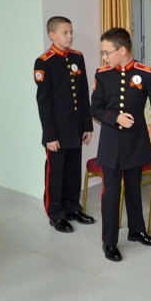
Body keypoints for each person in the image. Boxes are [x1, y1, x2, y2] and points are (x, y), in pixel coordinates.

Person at [90, 27, 151, 262]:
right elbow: (95, 108)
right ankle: (109, 242)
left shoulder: (146, 74)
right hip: (111, 144)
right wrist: (115, 117)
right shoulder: (102, 75)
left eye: (107, 52)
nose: (104, 57)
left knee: (135, 189)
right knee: (111, 193)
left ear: (123, 50)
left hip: (136, 141)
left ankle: (137, 231)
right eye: (103, 52)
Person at [34, 16, 95, 233]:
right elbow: (44, 102)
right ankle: (55, 213)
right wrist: (50, 135)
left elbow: (83, 92)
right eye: (65, 33)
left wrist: (87, 125)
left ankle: (72, 208)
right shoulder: (44, 62)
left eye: (71, 32)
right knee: (56, 173)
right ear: (52, 35)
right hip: (57, 132)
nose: (69, 36)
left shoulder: (77, 57)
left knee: (72, 171)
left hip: (75, 127)